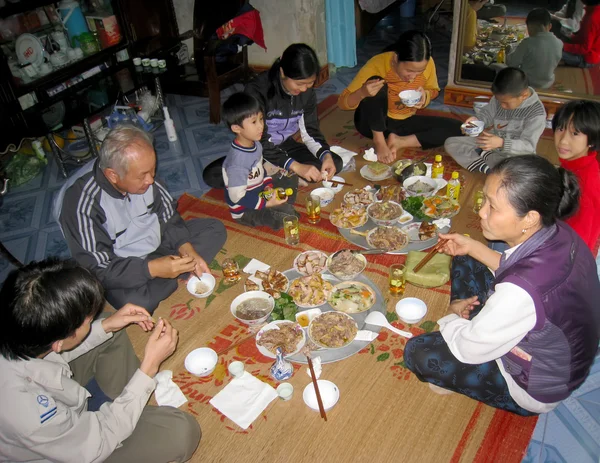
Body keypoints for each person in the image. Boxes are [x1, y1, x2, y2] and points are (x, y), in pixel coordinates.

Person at [405, 155, 600, 416]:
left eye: (493, 207)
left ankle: (469, 320)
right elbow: (519, 270)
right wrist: (472, 246)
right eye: (484, 199)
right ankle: (473, 313)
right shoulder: (560, 232)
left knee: (418, 353)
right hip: (552, 339)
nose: (481, 211)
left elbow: (469, 348)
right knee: (465, 254)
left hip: (535, 384)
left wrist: (454, 319)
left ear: (529, 218)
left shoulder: (520, 292)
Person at [0, 259, 201, 462]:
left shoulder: (20, 334)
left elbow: (50, 354)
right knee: (181, 433)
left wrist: (107, 325)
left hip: (50, 388)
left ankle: (126, 404)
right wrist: (149, 367)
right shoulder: (28, 414)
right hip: (75, 448)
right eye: (86, 320)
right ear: (58, 342)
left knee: (108, 328)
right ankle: (125, 409)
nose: (91, 318)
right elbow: (97, 443)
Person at [55, 125, 227, 314]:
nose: (151, 180)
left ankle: (172, 270)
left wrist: (186, 248)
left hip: (155, 244)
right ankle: (168, 273)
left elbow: (168, 216)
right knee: (138, 304)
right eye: (143, 175)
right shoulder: (81, 203)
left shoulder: (145, 177)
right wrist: (151, 269)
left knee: (214, 229)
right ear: (113, 175)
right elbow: (98, 268)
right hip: (121, 264)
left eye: (152, 171)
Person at [203, 43, 342, 187]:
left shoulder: (307, 93)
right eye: (299, 83)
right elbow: (259, 140)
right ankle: (278, 172)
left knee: (334, 162)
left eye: (310, 83)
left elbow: (311, 131)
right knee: (213, 175)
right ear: (282, 72)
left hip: (285, 145)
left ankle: (275, 173)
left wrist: (326, 156)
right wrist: (296, 166)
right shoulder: (257, 90)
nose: (304, 89)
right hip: (257, 147)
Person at [338, 30, 462, 164]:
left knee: (460, 128)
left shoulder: (427, 63)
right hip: (372, 124)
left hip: (404, 121)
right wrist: (362, 92)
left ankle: (400, 141)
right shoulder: (377, 64)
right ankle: (379, 141)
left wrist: (425, 96)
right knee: (375, 81)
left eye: (419, 71)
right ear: (396, 59)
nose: (413, 77)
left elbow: (434, 90)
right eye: (409, 70)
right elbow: (342, 103)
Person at [444, 67, 546, 173]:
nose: (501, 105)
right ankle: (489, 168)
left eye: (506, 103)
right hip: (493, 146)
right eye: (499, 101)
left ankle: (489, 160)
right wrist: (476, 121)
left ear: (523, 95)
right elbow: (487, 114)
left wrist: (502, 143)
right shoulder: (500, 99)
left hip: (516, 156)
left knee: (521, 169)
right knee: (451, 143)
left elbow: (528, 146)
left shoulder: (536, 113)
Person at [221, 92, 298, 229]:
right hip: (246, 209)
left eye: (261, 119)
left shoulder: (255, 144)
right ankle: (281, 208)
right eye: (254, 122)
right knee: (288, 217)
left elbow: (260, 170)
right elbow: (236, 197)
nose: (260, 126)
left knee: (291, 176)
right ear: (236, 128)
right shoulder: (237, 163)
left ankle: (281, 204)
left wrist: (268, 185)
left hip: (260, 191)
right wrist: (266, 203)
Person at [552, 99, 600, 254]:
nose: (563, 140)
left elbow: (578, 245)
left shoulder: (585, 182)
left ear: (592, 140)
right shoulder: (574, 165)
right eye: (560, 129)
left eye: (575, 133)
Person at [506, 8, 563, 89]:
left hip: (527, 83)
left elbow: (512, 63)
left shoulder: (527, 43)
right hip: (547, 83)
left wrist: (508, 52)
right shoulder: (559, 43)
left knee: (499, 67)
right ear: (549, 26)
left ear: (529, 27)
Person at [561, 0, 600, 68]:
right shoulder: (593, 11)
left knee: (552, 50)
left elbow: (585, 48)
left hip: (586, 58)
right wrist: (572, 37)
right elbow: (584, 36)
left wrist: (562, 46)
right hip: (589, 52)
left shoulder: (592, 18)